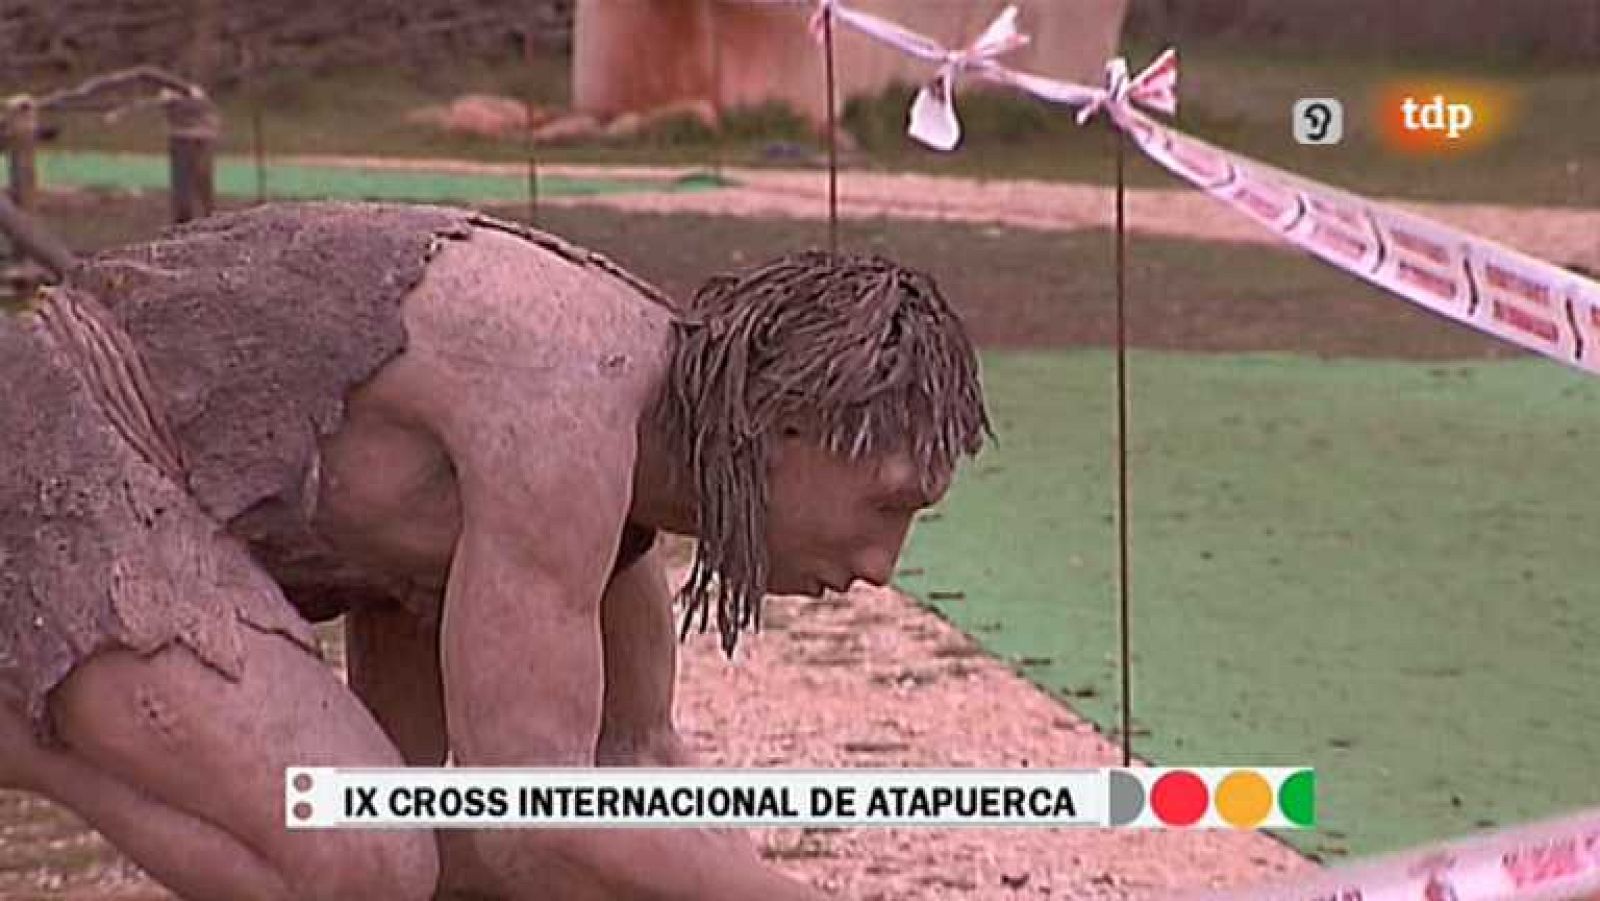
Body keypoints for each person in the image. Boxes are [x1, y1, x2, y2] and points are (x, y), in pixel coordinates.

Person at [0, 201, 990, 900]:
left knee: (443, 852)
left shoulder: (650, 448)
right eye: (885, 504)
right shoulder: (573, 415)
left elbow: (629, 770)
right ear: (789, 427)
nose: (880, 564)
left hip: (263, 493)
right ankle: (23, 740)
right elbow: (533, 813)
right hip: (74, 431)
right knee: (366, 861)